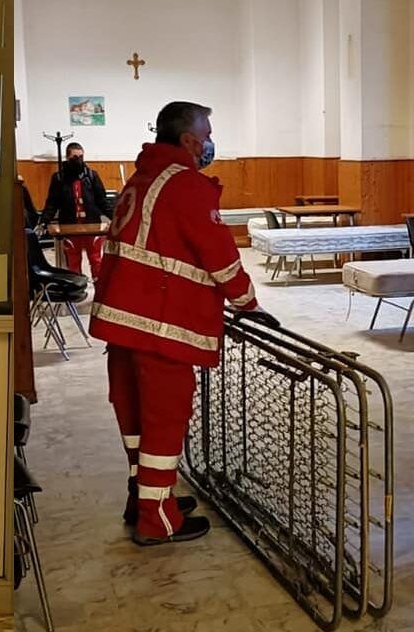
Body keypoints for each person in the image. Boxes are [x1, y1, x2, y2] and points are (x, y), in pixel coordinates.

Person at [90, 101, 276, 546]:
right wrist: (248, 303)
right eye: (207, 134)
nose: (210, 142)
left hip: (121, 320)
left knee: (135, 414)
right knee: (165, 417)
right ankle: (159, 519)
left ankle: (147, 496)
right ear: (190, 140)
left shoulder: (142, 176)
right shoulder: (186, 185)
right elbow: (219, 254)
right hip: (160, 323)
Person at [44, 142, 113, 279]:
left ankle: (98, 289)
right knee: (73, 262)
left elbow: (102, 200)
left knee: (96, 260)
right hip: (70, 227)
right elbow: (52, 202)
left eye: (81, 157)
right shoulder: (59, 178)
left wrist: (114, 217)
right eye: (75, 157)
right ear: (67, 157)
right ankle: (77, 290)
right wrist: (44, 220)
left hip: (92, 226)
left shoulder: (92, 176)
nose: (78, 160)